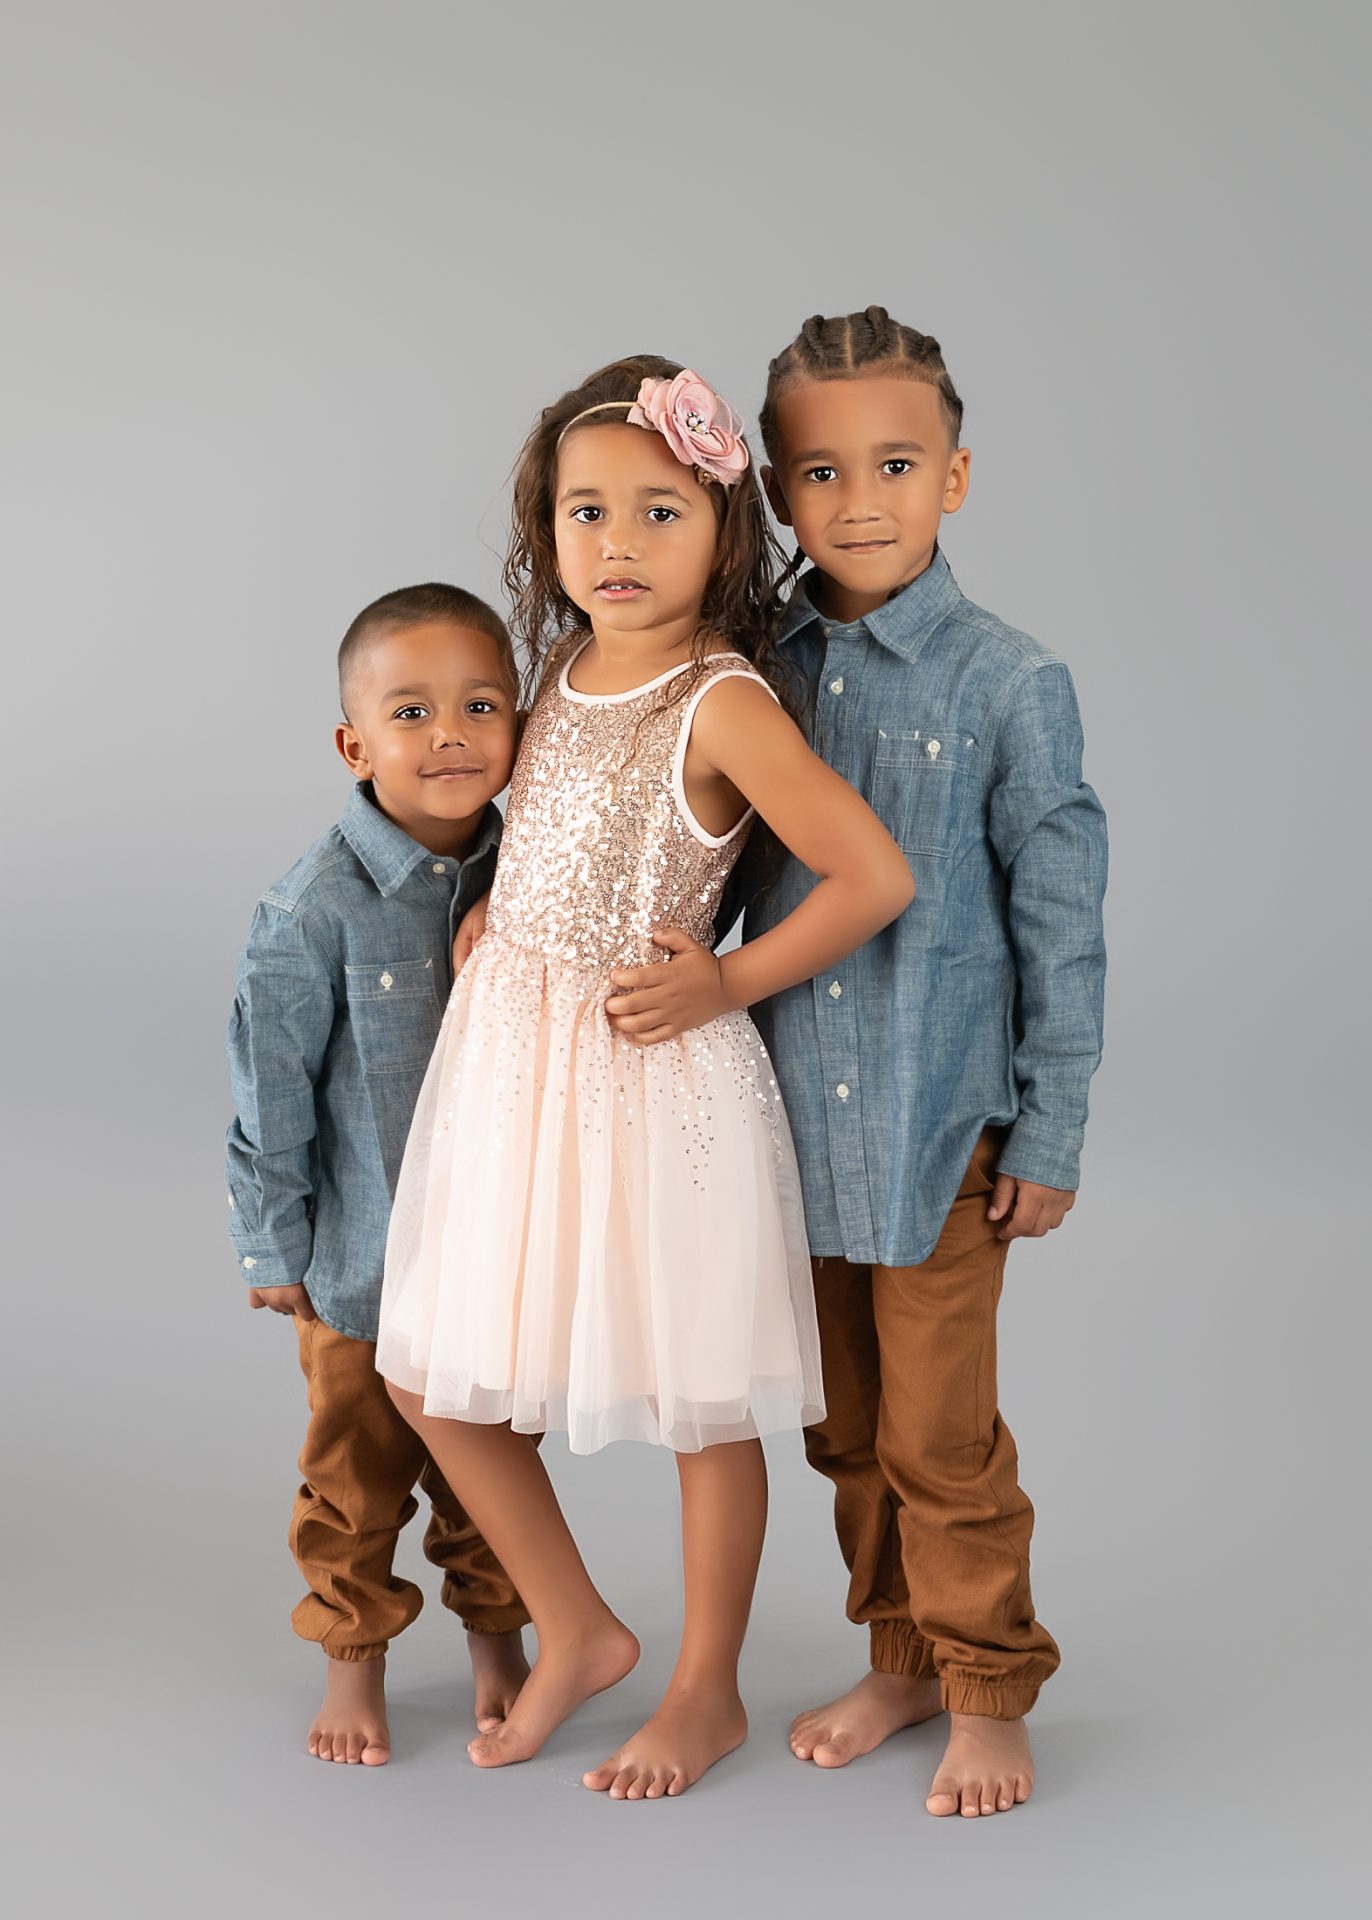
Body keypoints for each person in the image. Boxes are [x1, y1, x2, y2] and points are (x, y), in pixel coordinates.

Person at [377, 357, 914, 1800]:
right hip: (514, 1069)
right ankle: (580, 1628)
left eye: (659, 512)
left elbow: (872, 874)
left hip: (646, 1071)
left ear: (723, 530)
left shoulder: (721, 699)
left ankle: (706, 1686)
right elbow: (551, 820)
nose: (617, 544)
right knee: (433, 1370)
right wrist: (502, 898)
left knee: (698, 1405)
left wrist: (726, 979)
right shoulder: (553, 669)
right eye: (586, 511)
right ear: (544, 531)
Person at [618, 308, 1108, 1817]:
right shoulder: (747, 672)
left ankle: (987, 1682)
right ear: (770, 488)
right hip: (782, 1132)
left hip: (936, 1127)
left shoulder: (1008, 683)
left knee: (940, 1437)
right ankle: (899, 1658)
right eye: (819, 474)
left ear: (954, 477)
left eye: (895, 465)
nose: (860, 501)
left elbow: (1062, 919)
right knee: (842, 1430)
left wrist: (1049, 1131)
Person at [225, 583, 530, 1766]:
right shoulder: (312, 909)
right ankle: (355, 1660)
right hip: (364, 1256)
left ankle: (496, 1639)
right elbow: (271, 1091)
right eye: (411, 712)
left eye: (479, 705)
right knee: (356, 1474)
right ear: (355, 745)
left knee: (494, 1462)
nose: (448, 733)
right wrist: (275, 1247)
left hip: (495, 1247)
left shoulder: (528, 871)